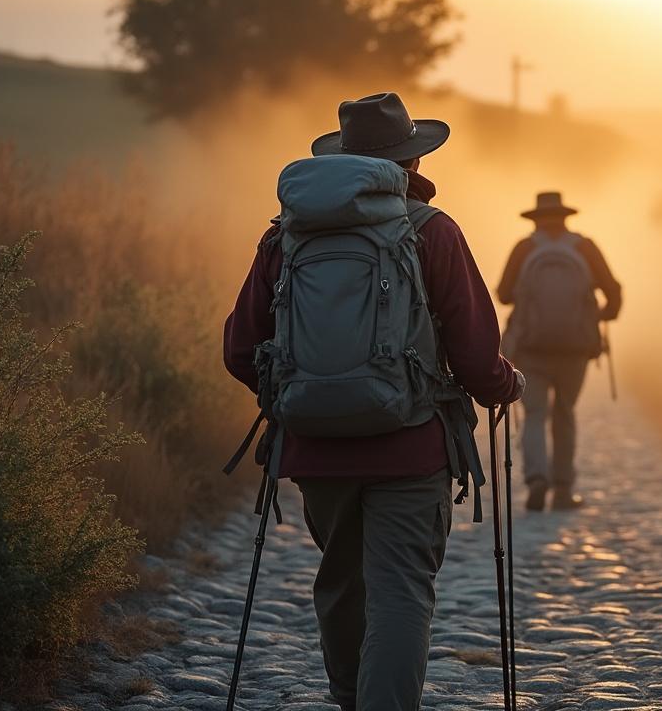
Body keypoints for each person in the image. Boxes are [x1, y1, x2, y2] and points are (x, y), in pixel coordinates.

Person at [223, 92, 524, 711]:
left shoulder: (284, 236)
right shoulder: (432, 231)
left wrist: (304, 397)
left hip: (315, 448)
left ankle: (350, 701)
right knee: (401, 593)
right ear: (411, 163)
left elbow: (239, 348)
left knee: (341, 585)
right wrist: (505, 386)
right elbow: (473, 353)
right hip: (411, 448)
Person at [496, 191, 622, 511]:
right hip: (575, 348)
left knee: (535, 414)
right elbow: (614, 291)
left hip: (531, 347)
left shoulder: (525, 248)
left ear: (535, 218)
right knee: (564, 414)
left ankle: (537, 478)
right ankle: (563, 489)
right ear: (566, 216)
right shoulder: (585, 247)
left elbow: (504, 294)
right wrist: (599, 315)